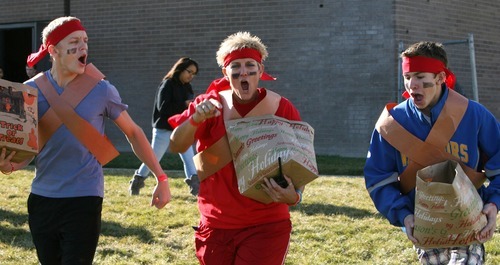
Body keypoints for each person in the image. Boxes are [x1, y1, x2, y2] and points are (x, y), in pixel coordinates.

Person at [0, 16, 171, 264]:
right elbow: (28, 148)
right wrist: (10, 165)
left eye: (85, 41)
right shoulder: (28, 92)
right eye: (75, 41)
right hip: (41, 200)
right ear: (53, 50)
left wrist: (161, 177)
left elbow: (133, 132)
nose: (84, 47)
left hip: (84, 199)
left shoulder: (101, 90)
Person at [168, 31, 305, 265]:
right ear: (225, 72)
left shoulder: (281, 107)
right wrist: (195, 120)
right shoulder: (208, 104)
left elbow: (301, 160)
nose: (244, 72)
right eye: (236, 66)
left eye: (250, 65)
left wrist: (295, 196)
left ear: (260, 71)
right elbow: (176, 145)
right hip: (215, 224)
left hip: (266, 224)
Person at [364, 41, 500, 264]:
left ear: (440, 78)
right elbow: (378, 178)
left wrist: (493, 204)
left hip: (471, 221)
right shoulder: (392, 124)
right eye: (407, 77)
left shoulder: (475, 115)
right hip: (423, 224)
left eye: (419, 76)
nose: (411, 84)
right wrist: (404, 215)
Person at [129, 57, 200, 196]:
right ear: (180, 69)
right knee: (154, 159)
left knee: (189, 158)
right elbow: (163, 108)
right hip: (164, 128)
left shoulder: (187, 86)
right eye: (189, 72)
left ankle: (196, 187)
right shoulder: (167, 84)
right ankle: (137, 181)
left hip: (180, 128)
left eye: (194, 74)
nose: (191, 76)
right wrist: (184, 104)